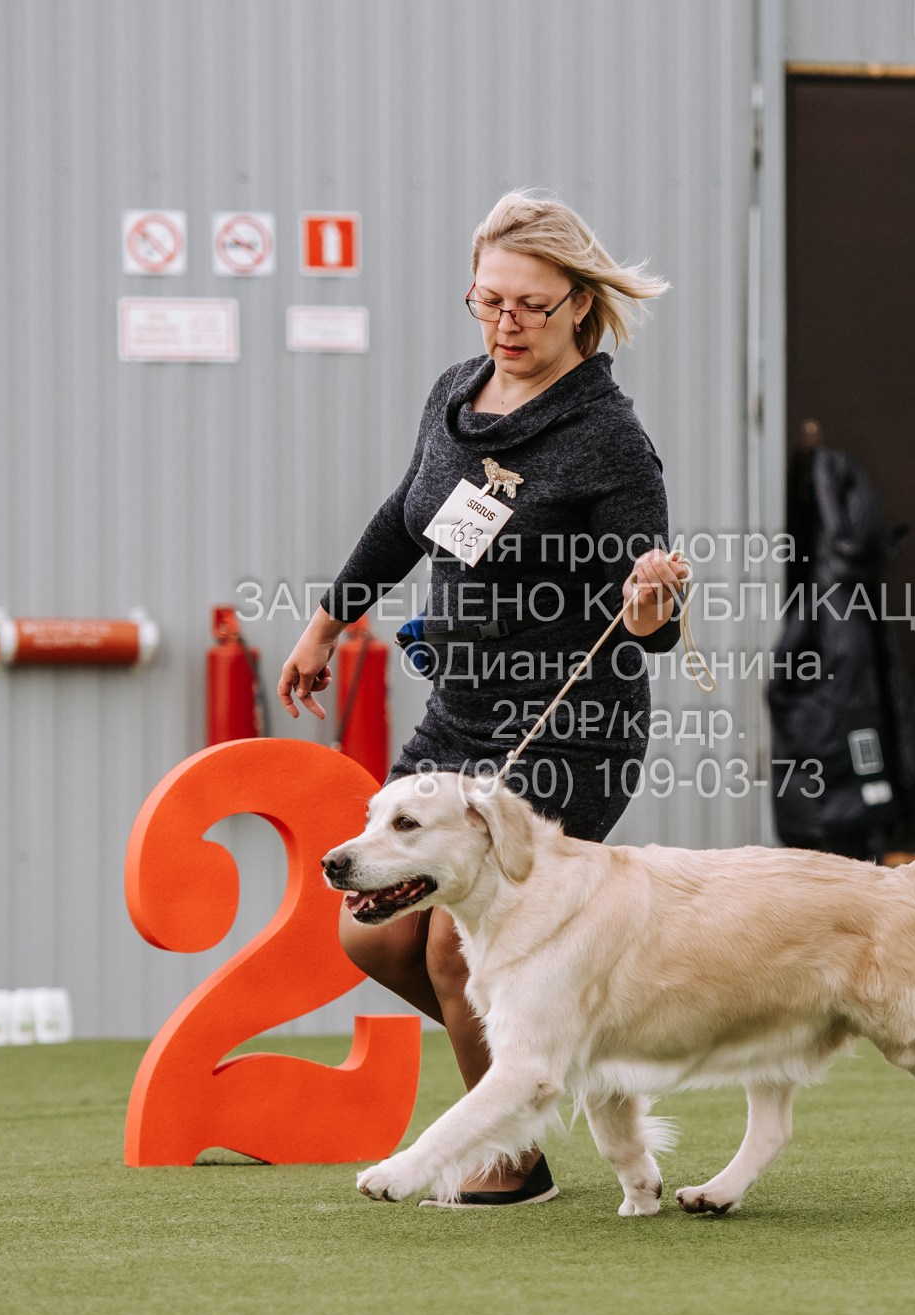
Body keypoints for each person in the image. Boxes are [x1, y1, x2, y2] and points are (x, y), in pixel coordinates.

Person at [276, 190, 688, 1204]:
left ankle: (510, 1153)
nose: (505, 324)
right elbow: (405, 514)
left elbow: (652, 616)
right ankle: (543, 1065)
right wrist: (330, 619)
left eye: (530, 307)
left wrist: (646, 603)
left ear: (580, 308)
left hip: (566, 726)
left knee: (463, 955)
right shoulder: (457, 391)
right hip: (457, 715)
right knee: (372, 926)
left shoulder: (609, 439)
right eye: (487, 299)